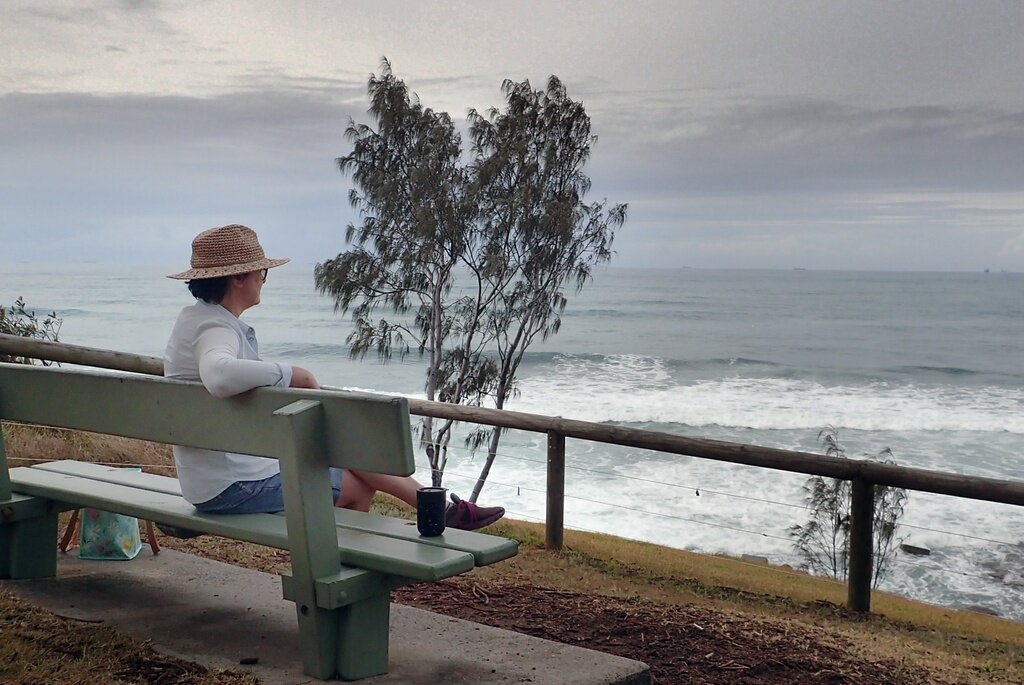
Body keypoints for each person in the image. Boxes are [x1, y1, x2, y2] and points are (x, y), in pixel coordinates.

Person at [164, 223, 504, 531]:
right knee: (357, 486)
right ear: (238, 278)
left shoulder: (194, 320)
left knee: (343, 456)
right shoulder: (215, 327)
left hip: (211, 478)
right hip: (230, 487)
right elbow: (218, 375)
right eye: (262, 273)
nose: (263, 280)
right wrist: (293, 373)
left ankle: (438, 508)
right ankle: (336, 575)